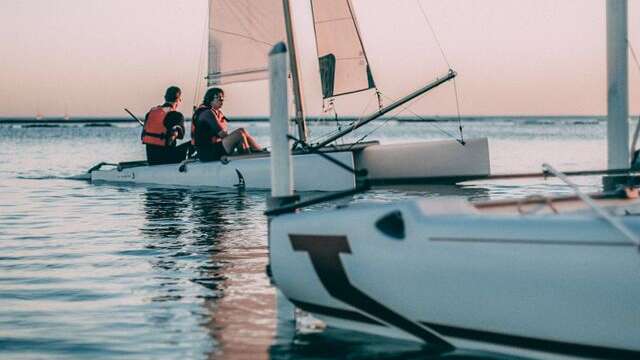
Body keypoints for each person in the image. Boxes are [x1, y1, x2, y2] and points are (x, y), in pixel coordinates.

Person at [191, 87, 264, 162]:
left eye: (222, 98)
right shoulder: (207, 113)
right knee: (239, 134)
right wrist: (235, 141)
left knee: (242, 131)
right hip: (207, 153)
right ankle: (249, 161)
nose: (222, 100)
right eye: (219, 98)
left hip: (216, 148)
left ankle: (259, 151)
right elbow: (223, 135)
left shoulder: (215, 112)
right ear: (210, 98)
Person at [141, 86, 192, 165]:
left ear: (165, 97)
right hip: (167, 159)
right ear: (179, 99)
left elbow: (143, 135)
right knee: (194, 143)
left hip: (152, 159)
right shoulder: (176, 115)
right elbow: (181, 136)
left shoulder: (150, 113)